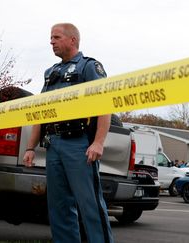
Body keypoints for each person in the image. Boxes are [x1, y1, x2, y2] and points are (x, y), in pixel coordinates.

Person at [22, 23, 113, 243]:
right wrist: (29, 147)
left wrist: (98, 142)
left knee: (89, 204)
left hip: (79, 145)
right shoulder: (50, 72)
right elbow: (41, 113)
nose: (51, 41)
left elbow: (105, 105)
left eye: (56, 37)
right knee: (59, 206)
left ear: (72, 40)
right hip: (54, 144)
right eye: (50, 37)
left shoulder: (88, 67)